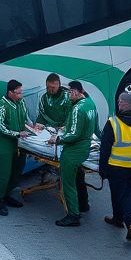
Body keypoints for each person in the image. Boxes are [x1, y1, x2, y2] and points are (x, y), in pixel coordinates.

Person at [98, 92, 131, 241]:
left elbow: (104, 149)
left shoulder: (113, 123)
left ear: (127, 105)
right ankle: (124, 220)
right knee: (128, 192)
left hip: (116, 165)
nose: (118, 104)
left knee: (118, 193)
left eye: (121, 102)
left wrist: (103, 169)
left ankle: (125, 221)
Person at [51, 81, 99, 228]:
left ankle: (73, 215)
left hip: (73, 151)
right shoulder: (90, 103)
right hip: (84, 148)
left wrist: (57, 139)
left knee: (68, 183)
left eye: (70, 92)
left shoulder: (78, 109)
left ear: (78, 92)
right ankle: (83, 204)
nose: (68, 95)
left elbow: (73, 134)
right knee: (79, 176)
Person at [0, 80, 35, 215]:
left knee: (18, 170)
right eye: (18, 93)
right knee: (5, 174)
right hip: (5, 145)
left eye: (21, 92)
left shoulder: (20, 102)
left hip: (20, 144)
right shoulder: (1, 106)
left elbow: (25, 115)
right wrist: (17, 134)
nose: (20, 95)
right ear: (10, 92)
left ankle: (7, 194)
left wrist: (31, 125)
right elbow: (1, 128)